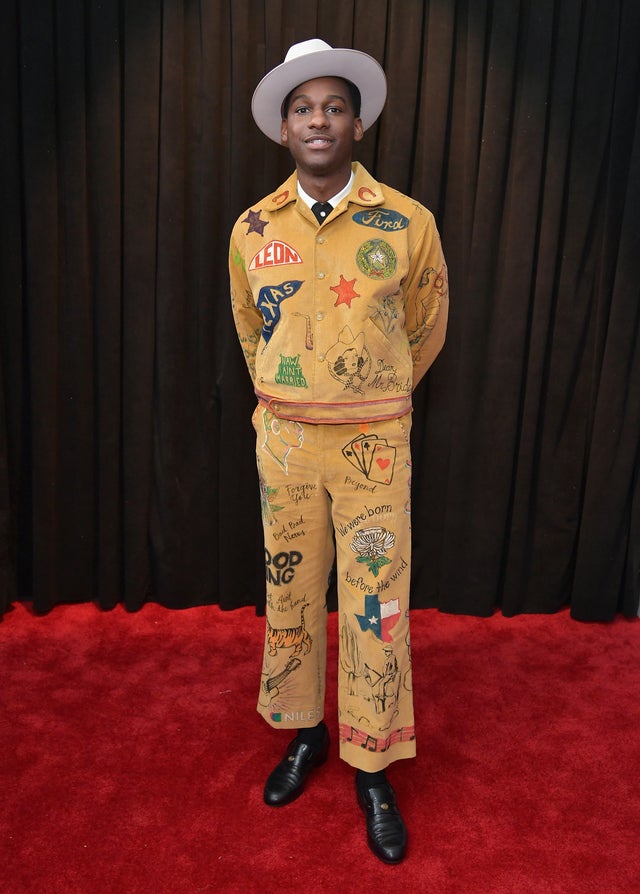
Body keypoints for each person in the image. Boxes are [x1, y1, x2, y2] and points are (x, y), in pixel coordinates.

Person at [228, 38, 449, 864]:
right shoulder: (253, 227)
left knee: (375, 605)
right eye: (302, 108)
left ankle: (372, 763)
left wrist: (376, 391)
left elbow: (426, 324)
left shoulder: (406, 222)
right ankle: (303, 733)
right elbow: (252, 328)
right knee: (289, 598)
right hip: (284, 445)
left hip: (372, 448)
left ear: (356, 122)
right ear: (283, 128)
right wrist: (286, 398)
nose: (318, 119)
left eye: (333, 106)